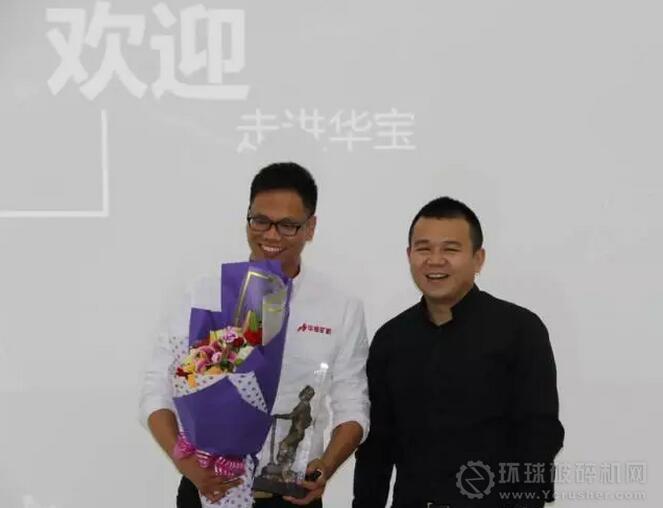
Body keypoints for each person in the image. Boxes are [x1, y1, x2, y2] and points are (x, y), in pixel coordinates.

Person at [140, 162, 369, 507]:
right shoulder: (205, 293)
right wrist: (186, 464)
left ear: (310, 228)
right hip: (208, 486)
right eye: (260, 221)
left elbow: (352, 404)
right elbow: (158, 388)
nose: (271, 236)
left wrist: (326, 465)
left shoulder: (339, 305)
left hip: (292, 493)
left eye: (288, 225)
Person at [353, 197, 564, 508]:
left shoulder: (520, 330)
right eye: (424, 249)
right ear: (409, 255)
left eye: (450, 250)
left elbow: (540, 436)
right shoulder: (391, 339)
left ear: (478, 259)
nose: (435, 260)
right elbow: (377, 446)